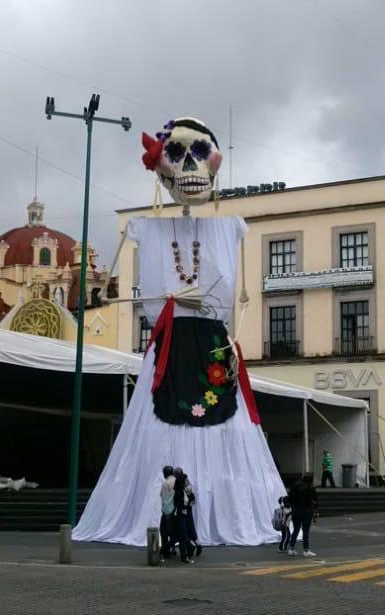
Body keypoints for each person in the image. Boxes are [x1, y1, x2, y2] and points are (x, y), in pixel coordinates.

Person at [72, 117, 285, 547]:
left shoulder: (229, 227)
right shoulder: (147, 228)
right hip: (172, 341)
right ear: (162, 168)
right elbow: (110, 281)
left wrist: (231, 331)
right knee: (162, 417)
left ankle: (209, 523)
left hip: (209, 342)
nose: (190, 165)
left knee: (220, 419)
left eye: (200, 153)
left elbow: (241, 297)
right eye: (178, 154)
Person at [287, 474, 318, 557]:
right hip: (307, 510)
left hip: (296, 510)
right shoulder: (310, 488)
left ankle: (291, 548)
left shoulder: (295, 487)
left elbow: (290, 498)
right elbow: (315, 499)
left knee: (296, 529)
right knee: (305, 530)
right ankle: (306, 550)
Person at [173, 472, 194, 564]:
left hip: (183, 516)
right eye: (185, 480)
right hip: (180, 516)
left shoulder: (183, 491)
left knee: (182, 537)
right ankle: (184, 557)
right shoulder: (179, 492)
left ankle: (185, 556)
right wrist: (186, 506)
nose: (187, 481)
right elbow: (180, 505)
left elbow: (191, 499)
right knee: (183, 537)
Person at [159, 466, 176, 558]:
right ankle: (173, 549)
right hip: (177, 510)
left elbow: (165, 500)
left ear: (165, 473)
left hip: (168, 512)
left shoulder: (166, 484)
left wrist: (165, 512)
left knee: (164, 532)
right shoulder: (178, 480)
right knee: (173, 532)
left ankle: (166, 550)